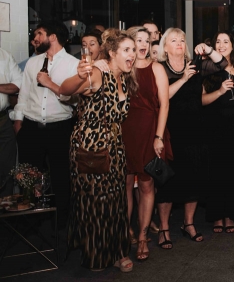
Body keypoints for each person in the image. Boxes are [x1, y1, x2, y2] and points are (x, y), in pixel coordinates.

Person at [60, 28, 136, 272]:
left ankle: (118, 252)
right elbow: (65, 89)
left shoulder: (124, 78)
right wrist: (81, 74)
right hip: (90, 147)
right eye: (127, 50)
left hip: (115, 147)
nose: (132, 54)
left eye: (133, 50)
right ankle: (96, 255)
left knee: (115, 202)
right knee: (95, 203)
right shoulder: (97, 72)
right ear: (112, 53)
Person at [155, 28, 227, 247]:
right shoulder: (160, 68)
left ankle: (188, 223)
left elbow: (222, 64)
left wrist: (209, 49)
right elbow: (161, 98)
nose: (179, 42)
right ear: (165, 46)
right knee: (168, 182)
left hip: (196, 129)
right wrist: (184, 78)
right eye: (173, 40)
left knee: (194, 178)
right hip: (171, 130)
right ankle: (164, 228)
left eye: (182, 39)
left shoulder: (196, 64)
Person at [13, 20, 79, 227]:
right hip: (31, 127)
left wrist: (51, 84)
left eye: (39, 34)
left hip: (60, 128)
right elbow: (24, 93)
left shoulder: (73, 64)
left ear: (52, 37)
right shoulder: (33, 63)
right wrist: (18, 121)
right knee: (28, 176)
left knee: (61, 176)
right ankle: (31, 223)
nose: (35, 38)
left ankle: (61, 223)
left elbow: (74, 100)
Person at [121, 26, 171, 260]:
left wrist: (158, 137)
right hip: (124, 132)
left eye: (146, 40)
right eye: (138, 40)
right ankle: (124, 234)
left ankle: (142, 237)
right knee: (125, 185)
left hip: (149, 131)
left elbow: (164, 104)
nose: (142, 44)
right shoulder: (123, 68)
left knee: (147, 185)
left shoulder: (156, 68)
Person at [201, 32, 234, 233]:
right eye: (217, 41)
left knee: (233, 170)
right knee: (215, 171)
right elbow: (201, 100)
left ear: (233, 46)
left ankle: (230, 214)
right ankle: (217, 215)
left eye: (226, 41)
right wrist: (219, 91)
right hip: (213, 124)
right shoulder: (206, 69)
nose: (221, 44)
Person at [0, 48, 22, 196]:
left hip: (3, 120)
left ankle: (5, 206)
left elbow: (19, 83)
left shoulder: (4, 55)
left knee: (7, 168)